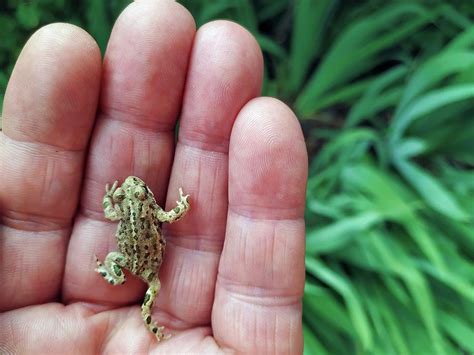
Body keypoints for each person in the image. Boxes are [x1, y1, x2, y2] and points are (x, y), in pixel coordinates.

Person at [0, 0, 307, 353]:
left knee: (138, 282)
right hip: (147, 264)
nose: (136, 188)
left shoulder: (134, 213)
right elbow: (171, 214)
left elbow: (114, 210)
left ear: (141, 198)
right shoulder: (152, 212)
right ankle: (145, 316)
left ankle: (122, 287)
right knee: (151, 292)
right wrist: (183, 203)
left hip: (136, 260)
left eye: (136, 190)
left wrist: (114, 198)